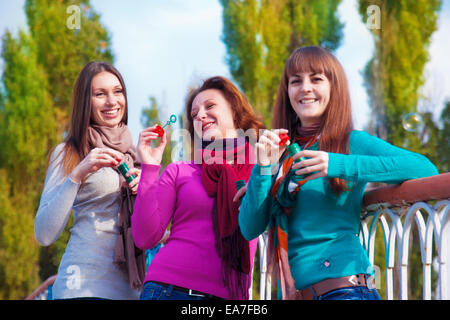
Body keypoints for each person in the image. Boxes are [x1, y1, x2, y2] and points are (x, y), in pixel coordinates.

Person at [238, 46, 439, 300]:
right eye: (295, 81)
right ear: (287, 91)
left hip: (345, 291)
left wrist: (337, 165)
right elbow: (249, 228)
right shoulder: (280, 153)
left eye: (317, 79)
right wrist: (263, 169)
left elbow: (424, 168)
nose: (305, 88)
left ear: (334, 88)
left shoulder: (351, 142)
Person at [132, 76, 265, 300]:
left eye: (210, 106)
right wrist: (150, 167)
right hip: (168, 290)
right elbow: (145, 238)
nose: (200, 115)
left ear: (234, 110)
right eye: (194, 115)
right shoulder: (179, 171)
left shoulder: (261, 170)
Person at [34, 61, 141, 300]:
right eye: (99, 94)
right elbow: (43, 234)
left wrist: (148, 187)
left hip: (133, 292)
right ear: (85, 102)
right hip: (82, 286)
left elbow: (156, 230)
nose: (112, 101)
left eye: (118, 91)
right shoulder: (69, 152)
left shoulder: (139, 156)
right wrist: (78, 173)